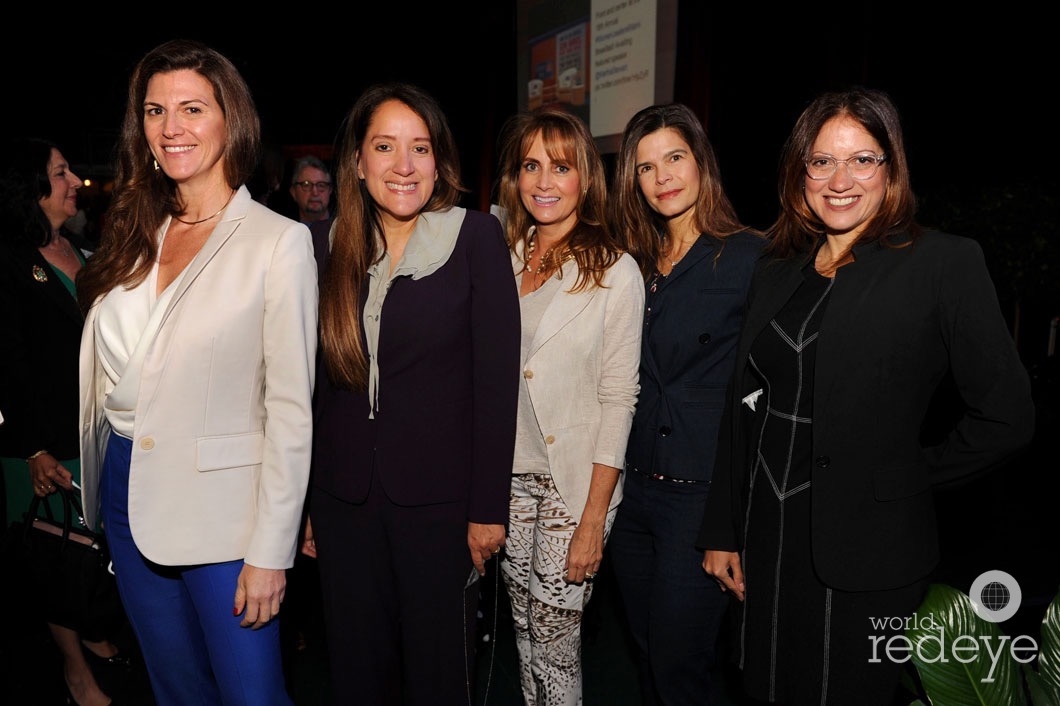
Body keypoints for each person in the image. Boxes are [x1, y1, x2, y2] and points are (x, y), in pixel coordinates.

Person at [698, 86, 1036, 706]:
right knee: (764, 684)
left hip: (868, 549)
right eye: (821, 161)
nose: (839, 179)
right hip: (768, 538)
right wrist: (723, 528)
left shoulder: (941, 263)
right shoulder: (777, 269)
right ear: (800, 172)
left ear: (892, 168)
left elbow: (1008, 417)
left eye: (862, 159)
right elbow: (743, 408)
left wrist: (906, 475)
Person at [75, 39, 318, 705]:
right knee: (176, 689)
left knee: (252, 695)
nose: (171, 128)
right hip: (124, 490)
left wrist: (272, 549)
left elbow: (292, 410)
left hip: (224, 514)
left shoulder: (279, 242)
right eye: (155, 110)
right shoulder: (133, 227)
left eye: (191, 108)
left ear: (228, 118)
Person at [302, 81, 520, 705]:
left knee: (439, 672)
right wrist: (307, 505)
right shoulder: (323, 246)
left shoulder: (476, 238)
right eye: (385, 147)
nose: (404, 165)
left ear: (438, 161)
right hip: (343, 503)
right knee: (356, 667)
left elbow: (496, 384)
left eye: (419, 148)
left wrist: (487, 509)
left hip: (442, 506)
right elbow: (311, 391)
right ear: (359, 163)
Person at [606, 103, 764, 705]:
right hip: (632, 493)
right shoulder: (630, 264)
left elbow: (761, 394)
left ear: (702, 164)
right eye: (646, 168)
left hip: (700, 499)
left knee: (682, 664)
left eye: (675, 158)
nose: (662, 177)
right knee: (648, 653)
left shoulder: (751, 256)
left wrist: (730, 522)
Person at [494, 106, 643, 705]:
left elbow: (619, 397)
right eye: (531, 166)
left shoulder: (615, 271)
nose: (544, 182)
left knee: (556, 638)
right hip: (508, 479)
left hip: (573, 486)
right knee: (525, 630)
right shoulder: (500, 257)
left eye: (561, 166)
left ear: (585, 177)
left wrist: (591, 521)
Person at [0, 137, 128, 706]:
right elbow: (6, 362)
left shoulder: (79, 246)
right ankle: (75, 672)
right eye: (60, 173)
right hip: (41, 441)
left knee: (88, 543)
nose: (75, 179)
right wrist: (30, 449)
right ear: (31, 189)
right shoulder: (6, 261)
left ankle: (94, 630)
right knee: (57, 554)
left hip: (91, 426)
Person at [288, 154, 333, 225]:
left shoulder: (344, 229)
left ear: (330, 190)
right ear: (293, 192)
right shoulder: (286, 231)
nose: (315, 192)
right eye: (306, 185)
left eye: (321, 185)